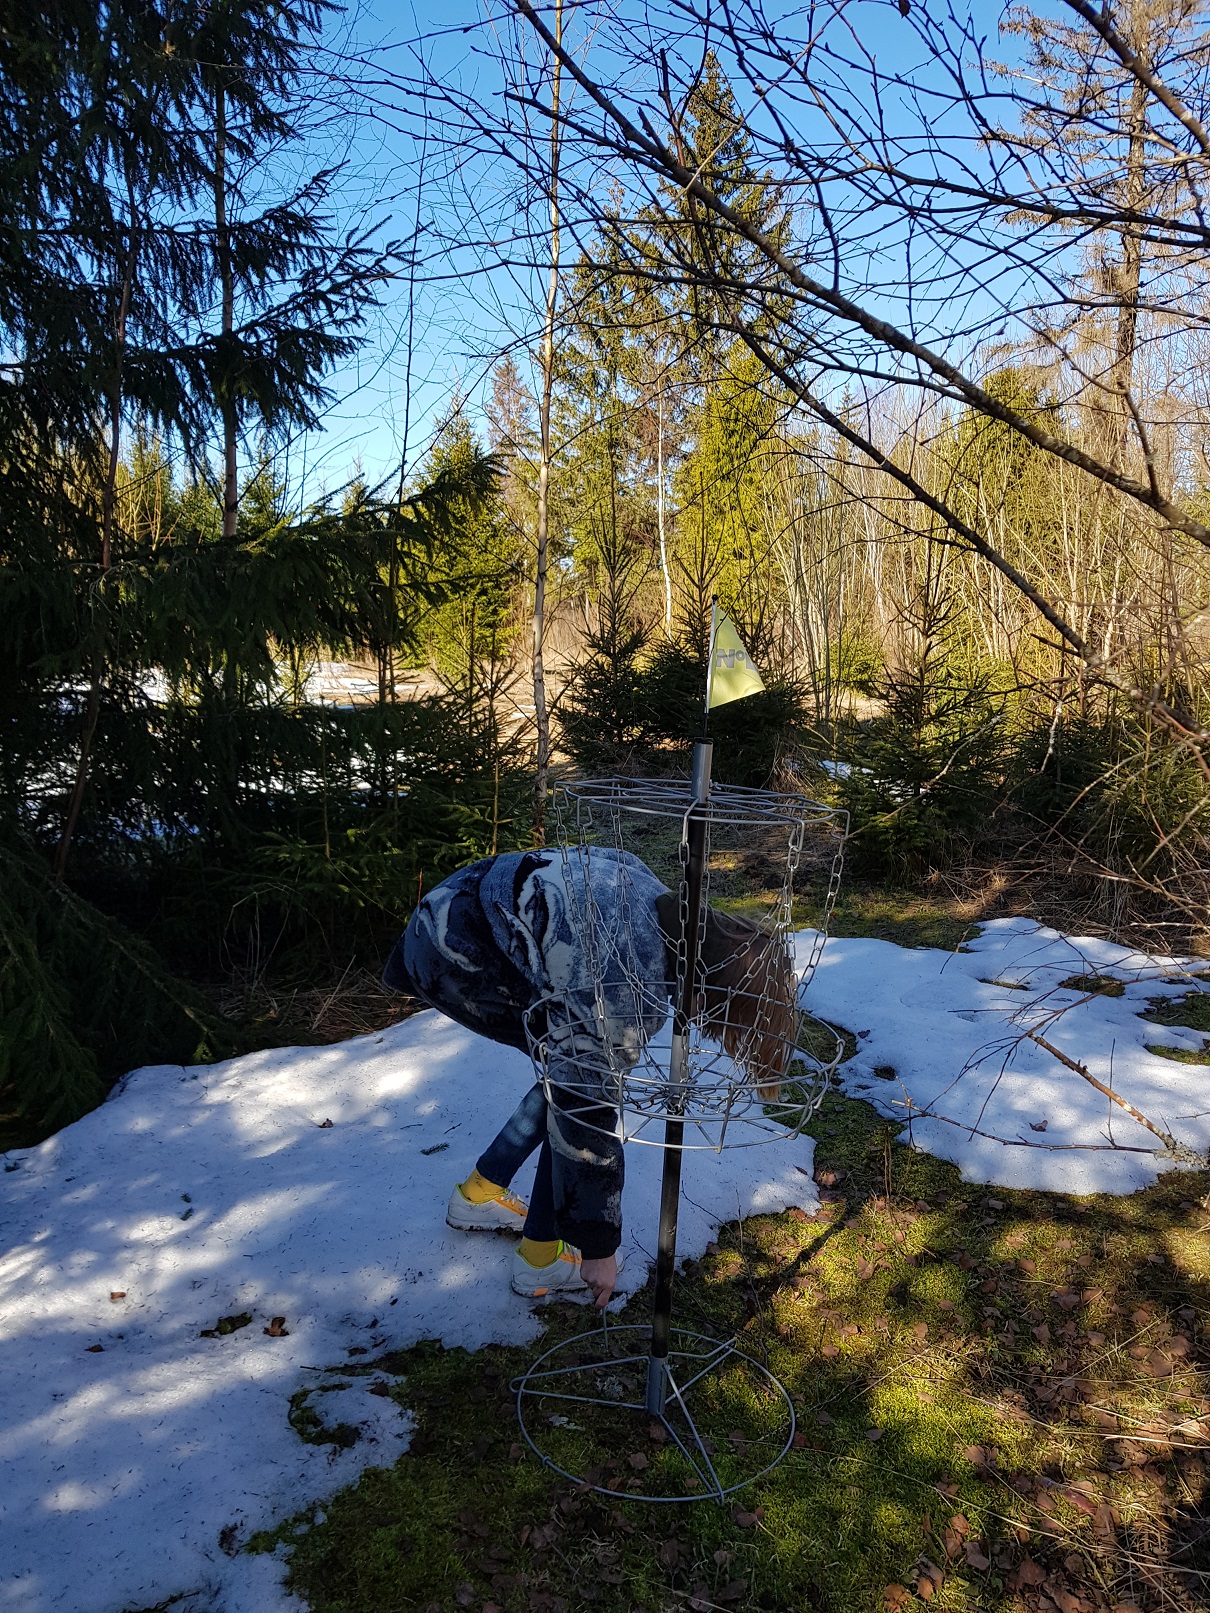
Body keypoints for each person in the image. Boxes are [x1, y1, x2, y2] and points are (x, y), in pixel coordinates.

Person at [383, 845, 796, 1308]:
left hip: (449, 909)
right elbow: (583, 1114)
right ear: (713, 996)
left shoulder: (653, 897)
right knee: (574, 1091)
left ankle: (480, 1193)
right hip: (453, 953)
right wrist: (599, 1247)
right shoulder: (621, 984)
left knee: (571, 1064)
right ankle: (539, 1259)